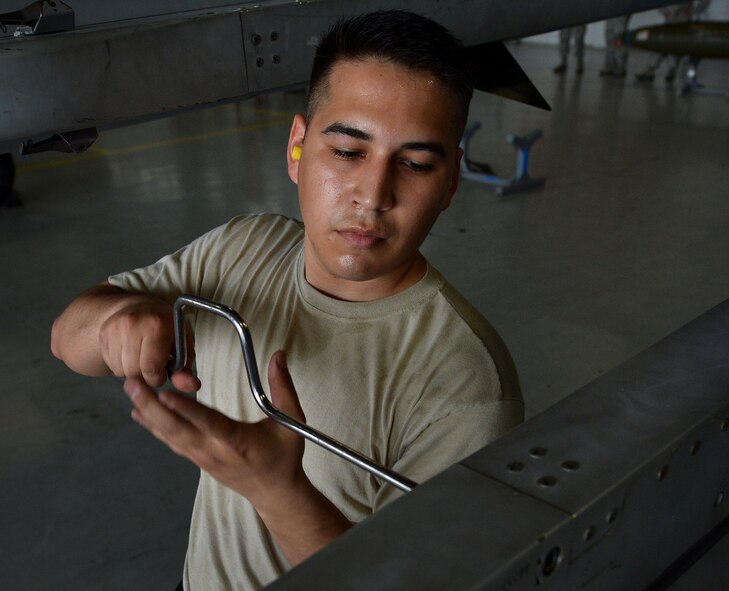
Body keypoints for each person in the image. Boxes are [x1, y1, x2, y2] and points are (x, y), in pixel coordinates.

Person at [51, 10, 523, 591]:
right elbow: (66, 341)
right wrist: (114, 323)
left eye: (416, 164)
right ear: (297, 148)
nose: (373, 196)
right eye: (348, 152)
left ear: (450, 184)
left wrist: (280, 493)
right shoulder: (243, 249)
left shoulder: (466, 384)